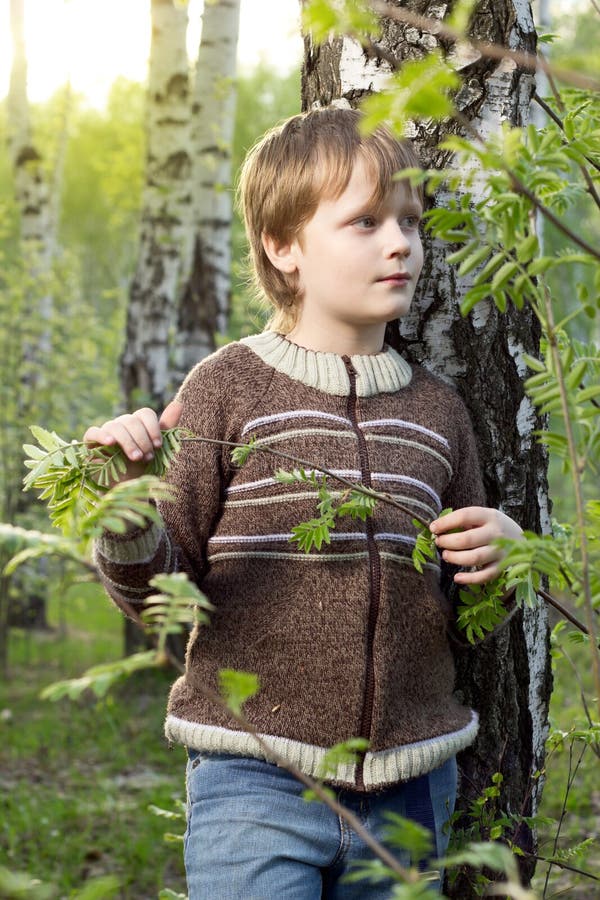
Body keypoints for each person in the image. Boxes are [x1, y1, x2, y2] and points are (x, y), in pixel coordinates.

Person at [85, 106, 523, 898]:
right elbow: (160, 593)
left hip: (410, 793)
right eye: (363, 223)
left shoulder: (440, 412)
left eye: (408, 223)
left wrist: (502, 556)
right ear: (284, 248)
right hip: (254, 780)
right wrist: (126, 515)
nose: (401, 244)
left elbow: (472, 613)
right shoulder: (228, 389)